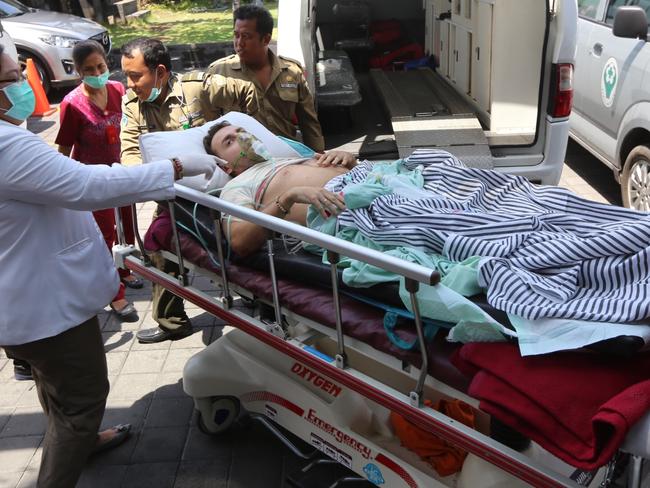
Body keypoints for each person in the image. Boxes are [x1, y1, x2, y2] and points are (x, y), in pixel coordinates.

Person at [0, 45, 218, 487]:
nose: (22, 84)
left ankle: (83, 437)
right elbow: (86, 184)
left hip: (26, 302)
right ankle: (67, 457)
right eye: (10, 79)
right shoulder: (7, 146)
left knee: (57, 388)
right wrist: (174, 168)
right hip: (43, 309)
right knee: (81, 400)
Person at [120, 37, 259, 344]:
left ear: (160, 72)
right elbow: (129, 149)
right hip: (172, 193)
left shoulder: (198, 88)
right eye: (126, 76)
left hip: (222, 190)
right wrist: (142, 174)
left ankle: (256, 299)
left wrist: (246, 148)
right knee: (162, 250)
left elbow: (246, 92)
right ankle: (172, 322)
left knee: (239, 244)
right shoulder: (132, 105)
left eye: (135, 76)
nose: (130, 85)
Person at [55, 40, 137, 319]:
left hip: (123, 174)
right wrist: (63, 187)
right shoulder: (72, 104)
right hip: (93, 181)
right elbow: (64, 150)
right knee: (103, 236)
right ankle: (114, 293)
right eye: (89, 69)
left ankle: (124, 271)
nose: (97, 72)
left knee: (128, 228)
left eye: (100, 66)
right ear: (78, 72)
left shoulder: (118, 90)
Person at [204, 121, 355, 256]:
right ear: (225, 167)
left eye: (242, 131)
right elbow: (239, 242)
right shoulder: (237, 185)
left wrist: (349, 162)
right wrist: (288, 198)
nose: (242, 137)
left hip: (369, 183)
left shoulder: (288, 158)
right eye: (230, 142)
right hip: (350, 214)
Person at [208, 4, 325, 152]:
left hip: (287, 155)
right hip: (244, 162)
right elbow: (209, 127)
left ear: (266, 39)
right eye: (236, 35)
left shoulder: (292, 72)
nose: (239, 43)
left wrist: (318, 156)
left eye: (246, 36)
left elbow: (309, 122)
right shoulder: (219, 72)